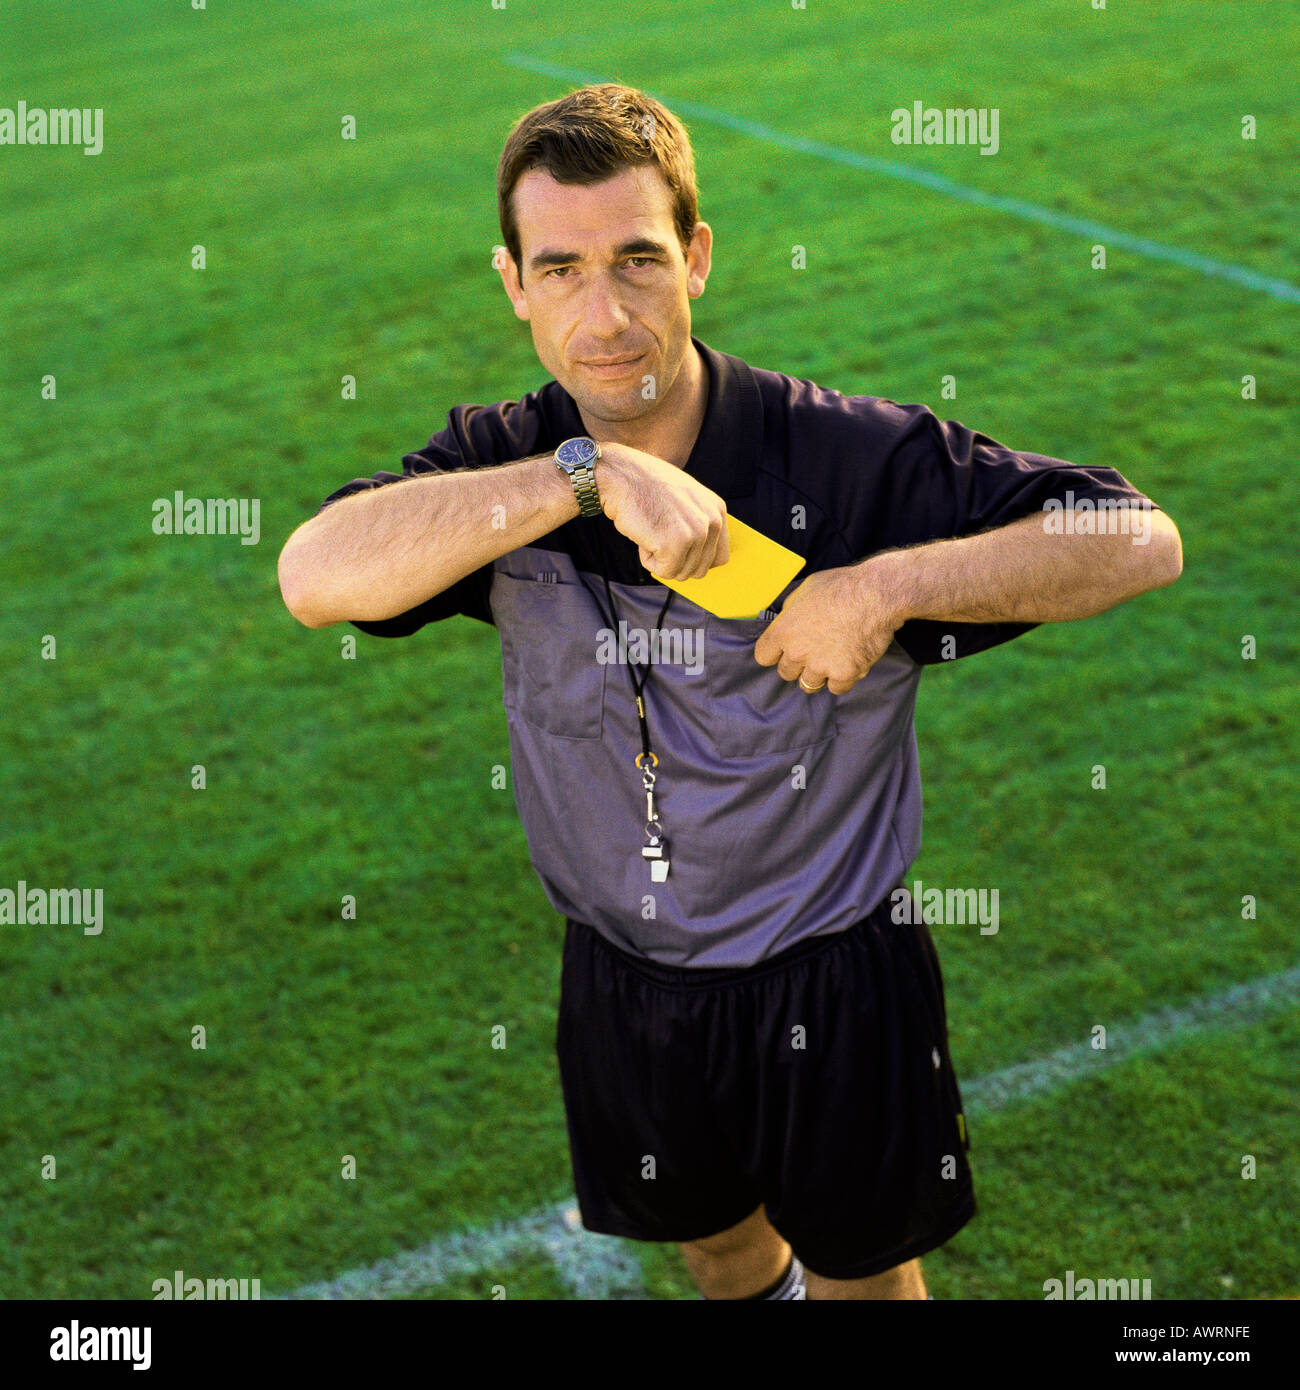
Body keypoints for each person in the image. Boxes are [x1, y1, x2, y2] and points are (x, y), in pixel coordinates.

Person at [277, 83, 1182, 1300]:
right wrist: (582, 479)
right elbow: (314, 573)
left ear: (696, 256)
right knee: (717, 1247)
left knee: (864, 1273)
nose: (604, 314)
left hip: (832, 967)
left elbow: (1135, 537)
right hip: (620, 974)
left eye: (638, 260)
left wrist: (881, 589)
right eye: (560, 270)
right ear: (513, 284)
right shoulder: (504, 464)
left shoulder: (843, 459)